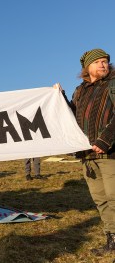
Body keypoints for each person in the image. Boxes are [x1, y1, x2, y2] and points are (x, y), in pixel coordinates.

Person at [63, 48, 115, 255]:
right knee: (101, 199)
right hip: (88, 157)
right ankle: (112, 239)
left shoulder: (112, 85)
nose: (103, 64)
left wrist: (106, 139)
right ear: (87, 67)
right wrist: (60, 98)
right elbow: (71, 117)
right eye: (98, 62)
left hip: (110, 153)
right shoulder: (80, 91)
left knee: (114, 198)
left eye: (105, 61)